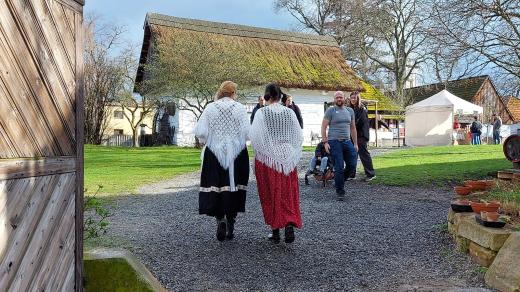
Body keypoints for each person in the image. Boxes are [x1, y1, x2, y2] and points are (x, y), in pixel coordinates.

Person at [194, 81, 250, 241]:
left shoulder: (210, 107)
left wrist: (212, 139)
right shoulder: (239, 108)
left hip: (214, 152)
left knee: (217, 187)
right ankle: (230, 223)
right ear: (233, 93)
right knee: (233, 188)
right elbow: (247, 133)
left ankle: (220, 219)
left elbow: (200, 131)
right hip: (236, 154)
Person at [250, 83, 303, 244]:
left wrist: (265, 151)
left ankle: (275, 229)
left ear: (267, 96)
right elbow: (298, 136)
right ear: (280, 96)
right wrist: (291, 152)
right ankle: (288, 225)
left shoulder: (261, 113)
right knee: (288, 192)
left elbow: (255, 137)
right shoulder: (289, 113)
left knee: (270, 192)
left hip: (268, 158)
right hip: (287, 157)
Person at [321, 91, 358, 201]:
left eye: (340, 97)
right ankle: (340, 191)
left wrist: (355, 143)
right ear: (334, 99)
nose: (339, 99)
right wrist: (325, 142)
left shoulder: (350, 111)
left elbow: (352, 128)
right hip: (334, 142)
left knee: (352, 164)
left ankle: (339, 180)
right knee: (339, 166)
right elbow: (323, 127)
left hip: (347, 141)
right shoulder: (331, 110)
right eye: (337, 97)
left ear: (344, 98)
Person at [348, 91, 376, 181]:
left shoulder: (362, 109)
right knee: (352, 155)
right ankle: (351, 174)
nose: (352, 99)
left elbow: (361, 122)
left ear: (358, 98)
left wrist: (350, 126)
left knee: (364, 155)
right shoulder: (351, 108)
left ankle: (371, 174)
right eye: (351, 98)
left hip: (361, 135)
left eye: (354, 98)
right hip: (353, 135)